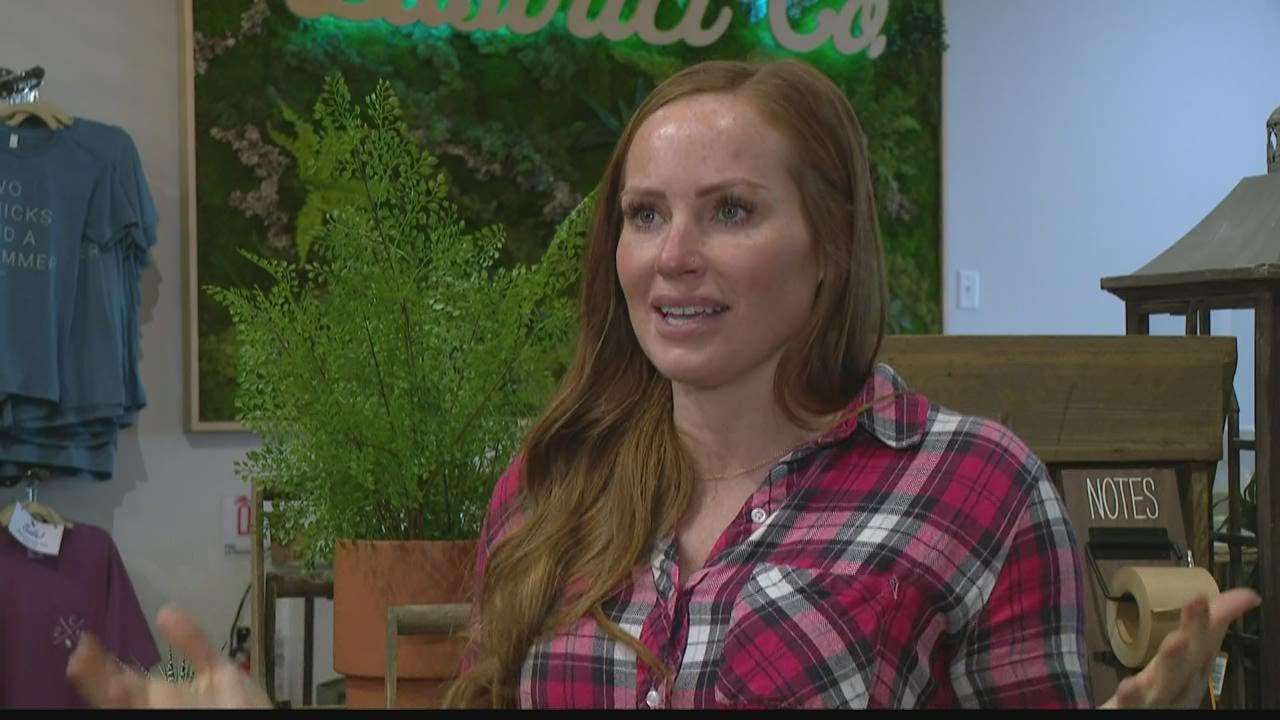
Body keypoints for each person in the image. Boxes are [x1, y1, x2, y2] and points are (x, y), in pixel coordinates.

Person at [66, 58, 1258, 709]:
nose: (671, 256)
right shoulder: (550, 485)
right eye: (644, 215)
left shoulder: (975, 487)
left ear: (831, 243)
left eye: (729, 211)